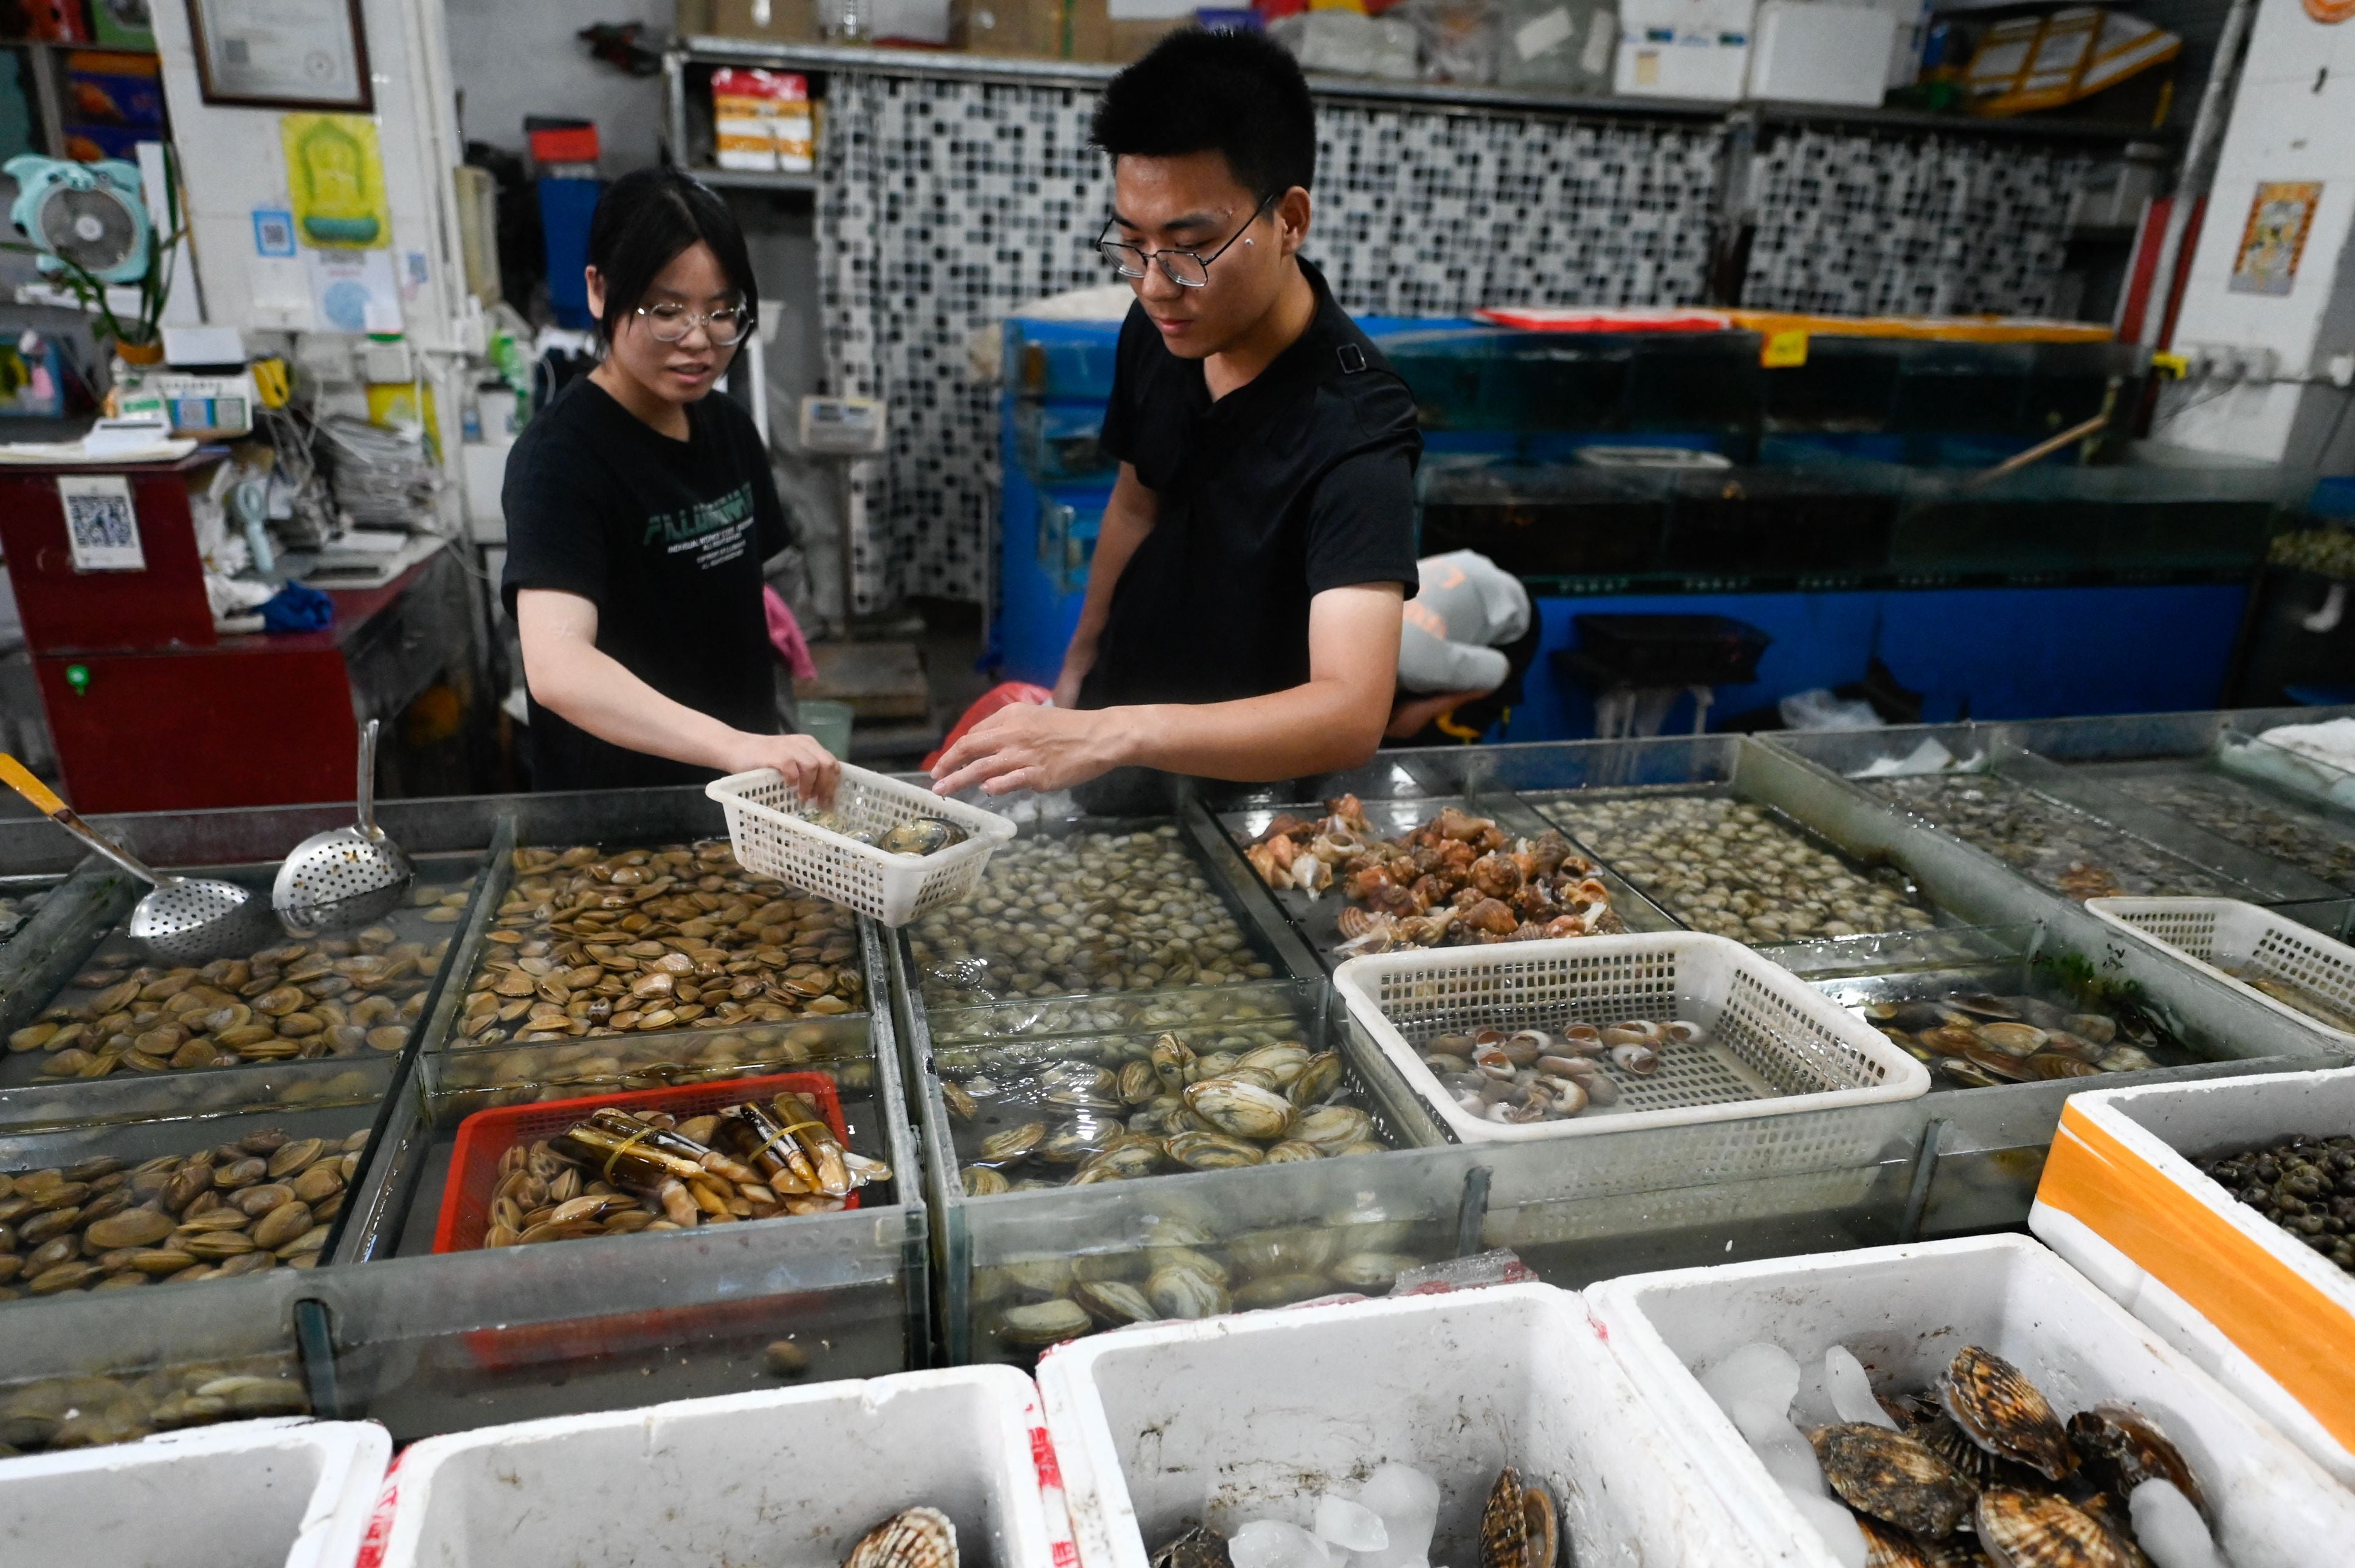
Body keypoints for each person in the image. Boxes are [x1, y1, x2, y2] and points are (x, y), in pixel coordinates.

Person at [929, 29, 1421, 799]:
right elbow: (1136, 499)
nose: (1154, 286)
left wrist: (1111, 730)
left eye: (1189, 248)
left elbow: (1350, 713)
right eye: (1132, 246)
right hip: (1120, 732)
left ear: (1289, 220)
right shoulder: (1162, 331)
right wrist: (1079, 671)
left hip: (1249, 788)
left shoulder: (1356, 427)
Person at [502, 168, 837, 798]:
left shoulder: (729, 429)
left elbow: (744, 591)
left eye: (722, 313)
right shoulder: (561, 459)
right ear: (599, 291)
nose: (698, 341)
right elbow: (558, 668)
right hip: (622, 814)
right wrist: (735, 745)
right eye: (665, 310)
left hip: (744, 797)